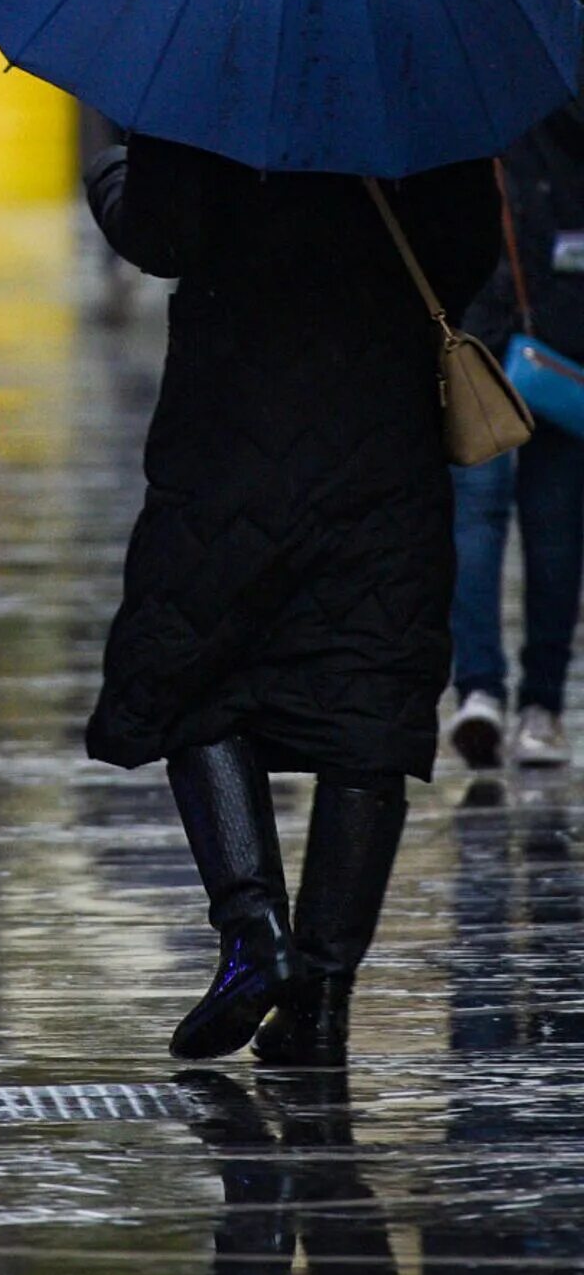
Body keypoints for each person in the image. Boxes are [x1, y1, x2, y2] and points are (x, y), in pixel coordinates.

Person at [86, 136, 499, 1067]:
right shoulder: (422, 80)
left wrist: (109, 175)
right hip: (381, 439)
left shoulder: (213, 74)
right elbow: (468, 249)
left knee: (193, 671)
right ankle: (319, 999)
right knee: (370, 701)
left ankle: (251, 935)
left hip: (229, 445)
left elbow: (163, 231)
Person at [446, 0, 584, 773]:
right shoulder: (442, 27)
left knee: (554, 522)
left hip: (568, 304)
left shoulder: (570, 25)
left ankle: (540, 702)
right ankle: (483, 691)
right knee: (478, 507)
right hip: (473, 306)